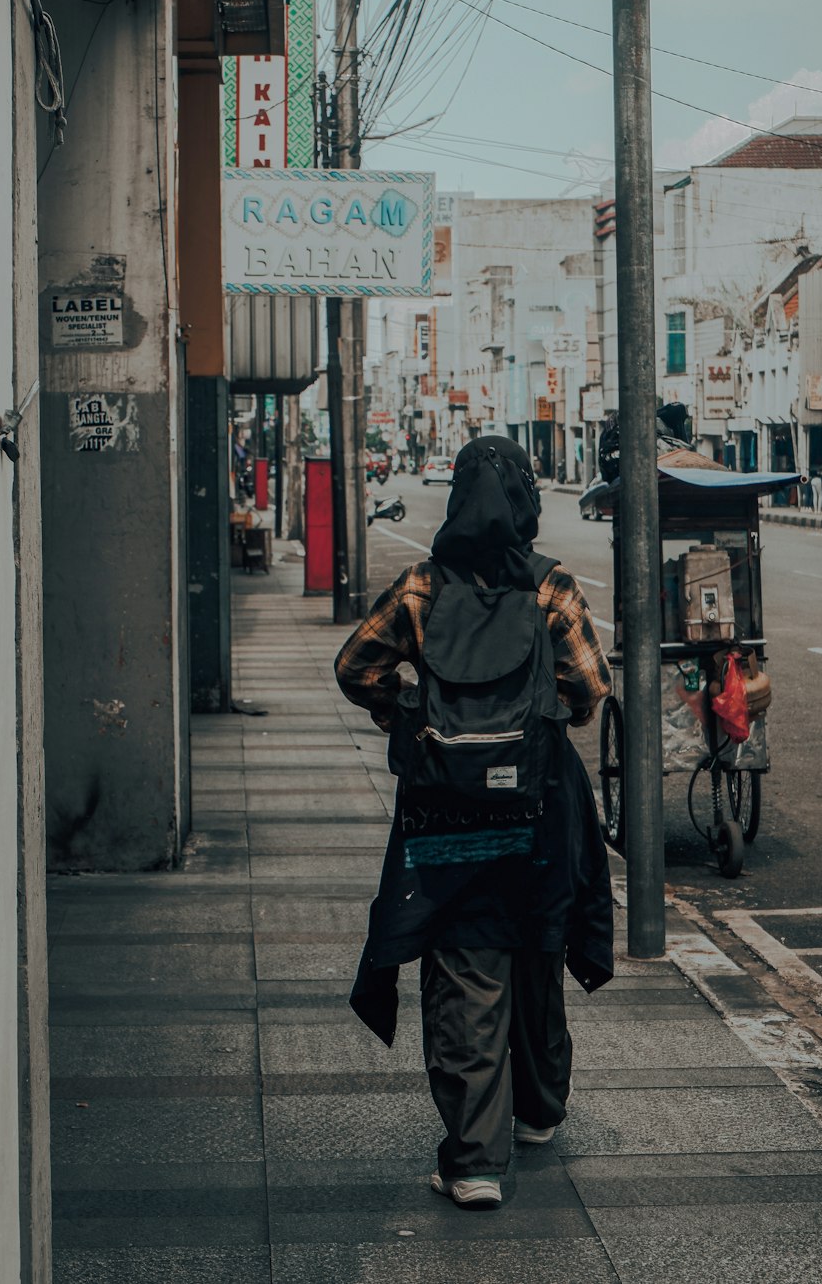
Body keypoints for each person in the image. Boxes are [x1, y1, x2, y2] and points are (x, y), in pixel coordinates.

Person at [335, 436, 613, 1210]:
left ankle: (473, 1161)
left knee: (464, 964)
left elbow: (355, 667)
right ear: (526, 500)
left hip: (446, 812)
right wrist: (537, 717)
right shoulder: (551, 587)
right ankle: (538, 1110)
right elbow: (590, 688)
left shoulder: (421, 587)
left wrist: (415, 712)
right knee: (536, 948)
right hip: (538, 807)